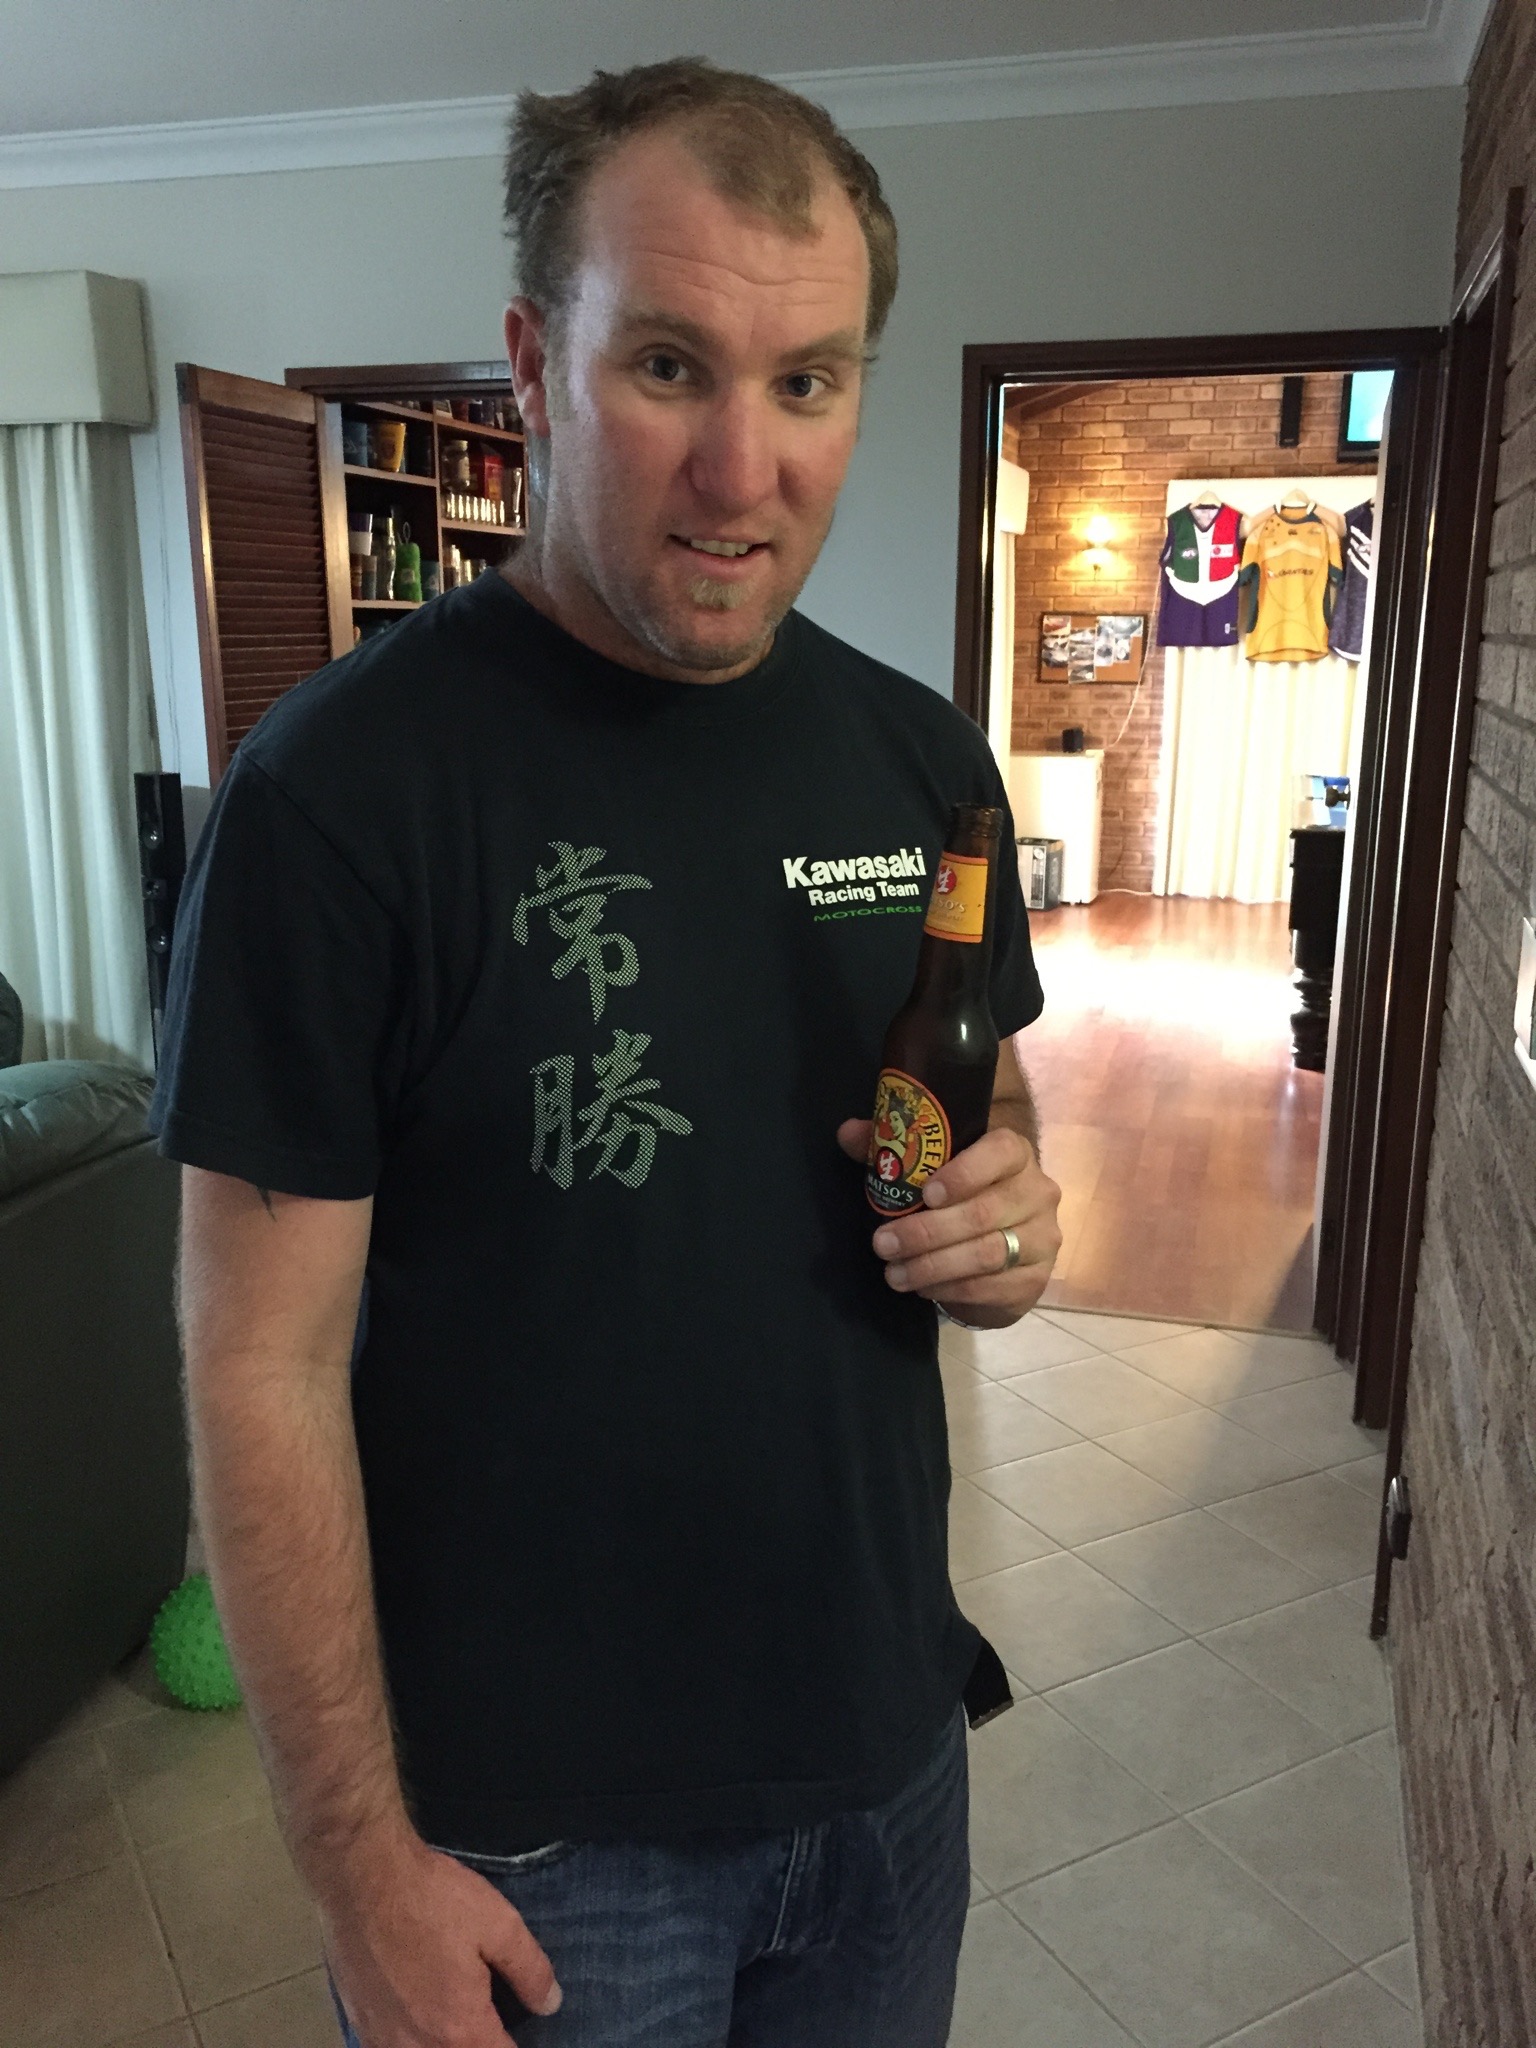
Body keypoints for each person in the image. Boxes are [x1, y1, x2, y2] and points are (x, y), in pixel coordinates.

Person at [152, 56, 1062, 2048]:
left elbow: (993, 1121)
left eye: (808, 381)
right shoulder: (339, 799)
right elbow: (256, 1363)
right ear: (532, 366)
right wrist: (355, 1867)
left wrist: (1011, 1229)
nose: (744, 469)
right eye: (668, 367)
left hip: (884, 1766)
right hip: (536, 1843)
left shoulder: (919, 761)